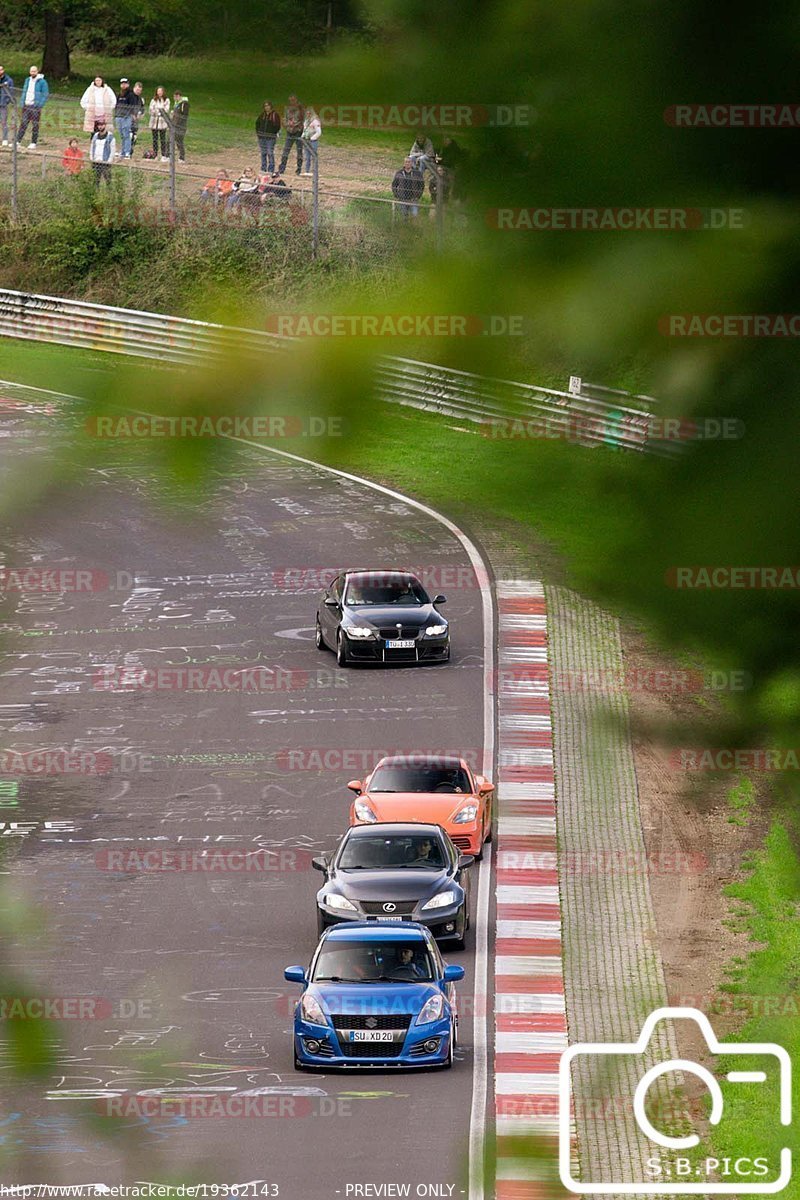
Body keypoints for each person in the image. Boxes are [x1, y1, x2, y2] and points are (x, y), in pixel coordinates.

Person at [16, 66, 49, 150]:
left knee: (35, 125)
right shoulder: (27, 80)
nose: (32, 73)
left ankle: (33, 142)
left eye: (34, 71)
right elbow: (24, 91)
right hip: (26, 105)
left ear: (37, 71)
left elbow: (45, 94)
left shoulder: (42, 82)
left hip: (35, 107)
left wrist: (39, 105)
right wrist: (22, 102)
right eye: (31, 71)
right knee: (23, 123)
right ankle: (18, 141)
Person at [277, 95, 304, 176]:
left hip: (298, 132)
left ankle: (299, 168)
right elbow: (284, 118)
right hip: (289, 132)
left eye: (293, 100)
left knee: (299, 151)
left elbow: (303, 120)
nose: (292, 102)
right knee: (286, 150)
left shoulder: (301, 109)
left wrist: (295, 124)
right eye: (290, 101)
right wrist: (287, 124)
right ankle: (282, 168)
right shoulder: (287, 109)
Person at [255, 101, 281, 174]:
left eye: (268, 106)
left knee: (270, 153)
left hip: (270, 138)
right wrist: (258, 132)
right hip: (262, 137)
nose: (266, 107)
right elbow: (257, 123)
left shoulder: (275, 115)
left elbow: (278, 126)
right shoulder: (262, 115)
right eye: (265, 106)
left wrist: (273, 133)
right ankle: (263, 168)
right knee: (263, 153)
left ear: (271, 106)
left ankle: (271, 169)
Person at [114, 78, 137, 159]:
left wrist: (132, 114)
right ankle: (123, 151)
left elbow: (133, 106)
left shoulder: (131, 94)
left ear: (128, 84)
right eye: (122, 83)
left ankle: (127, 152)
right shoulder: (119, 95)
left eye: (125, 83)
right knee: (122, 135)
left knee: (126, 134)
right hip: (119, 116)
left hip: (126, 117)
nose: (123, 85)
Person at [89, 119, 116, 187]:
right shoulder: (95, 136)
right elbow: (92, 147)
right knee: (95, 181)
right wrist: (92, 158)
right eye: (99, 125)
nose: (100, 127)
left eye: (102, 125)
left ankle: (109, 195)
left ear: (105, 125)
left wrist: (109, 161)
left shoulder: (110, 137)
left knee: (108, 181)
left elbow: (112, 150)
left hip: (105, 162)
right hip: (96, 161)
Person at [149, 87, 170, 161]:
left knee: (162, 139)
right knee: (155, 139)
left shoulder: (166, 100)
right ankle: (155, 154)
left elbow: (166, 110)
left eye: (161, 91)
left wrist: (159, 111)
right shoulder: (153, 100)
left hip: (162, 122)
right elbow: (151, 109)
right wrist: (158, 111)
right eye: (158, 91)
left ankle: (163, 155)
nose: (159, 93)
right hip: (154, 121)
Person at [301, 105, 321, 175]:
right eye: (307, 113)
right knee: (307, 156)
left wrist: (312, 138)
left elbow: (319, 132)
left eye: (309, 113)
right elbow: (304, 130)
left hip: (313, 141)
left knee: (314, 156)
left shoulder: (315, 121)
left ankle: (315, 171)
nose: (308, 114)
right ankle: (307, 171)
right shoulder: (306, 121)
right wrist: (302, 136)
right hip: (306, 140)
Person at [172, 91, 189, 162]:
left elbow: (184, 115)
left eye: (175, 97)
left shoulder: (184, 104)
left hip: (181, 126)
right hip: (174, 126)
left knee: (179, 141)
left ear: (178, 96)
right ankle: (170, 155)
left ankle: (182, 157)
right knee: (172, 140)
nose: (174, 98)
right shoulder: (177, 104)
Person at [0, 67, 14, 147]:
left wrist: (6, 101)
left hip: (3, 104)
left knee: (3, 121)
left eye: (1, 70)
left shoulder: (8, 80)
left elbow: (11, 92)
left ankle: (5, 139)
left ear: (3, 71)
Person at [130, 82, 145, 156]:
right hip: (128, 119)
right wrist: (132, 115)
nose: (138, 91)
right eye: (137, 89)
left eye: (140, 90)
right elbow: (125, 107)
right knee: (129, 135)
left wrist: (140, 114)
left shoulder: (140, 99)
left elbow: (142, 109)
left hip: (136, 121)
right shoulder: (130, 96)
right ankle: (126, 150)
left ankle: (131, 150)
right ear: (134, 88)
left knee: (134, 136)